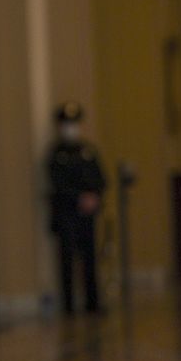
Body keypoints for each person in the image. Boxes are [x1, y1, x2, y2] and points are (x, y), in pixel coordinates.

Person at [47, 101, 106, 315]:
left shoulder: (87, 151)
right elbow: (58, 183)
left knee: (90, 259)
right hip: (67, 214)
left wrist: (94, 197)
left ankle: (93, 301)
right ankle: (68, 305)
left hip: (86, 215)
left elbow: (100, 179)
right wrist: (80, 197)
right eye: (67, 124)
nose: (71, 128)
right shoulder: (57, 153)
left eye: (74, 123)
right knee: (67, 260)